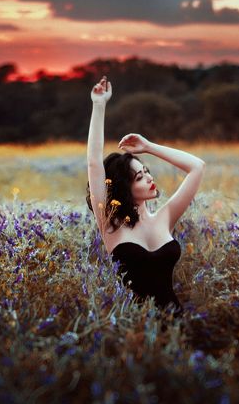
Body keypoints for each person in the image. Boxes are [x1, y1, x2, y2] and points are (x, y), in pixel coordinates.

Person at [85, 75, 205, 318]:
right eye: (139, 177)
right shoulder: (110, 223)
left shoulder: (165, 217)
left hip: (175, 324)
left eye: (147, 172)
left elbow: (197, 166)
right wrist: (99, 105)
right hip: (135, 327)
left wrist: (149, 146)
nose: (149, 178)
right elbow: (94, 163)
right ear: (122, 188)